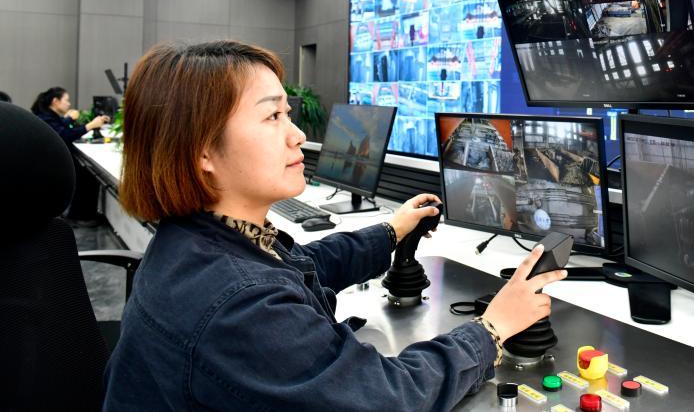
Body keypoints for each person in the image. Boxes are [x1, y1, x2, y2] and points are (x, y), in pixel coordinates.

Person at [103, 41, 565, 411]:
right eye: (272, 116)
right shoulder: (238, 303)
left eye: (288, 114)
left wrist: (390, 232)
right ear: (202, 151)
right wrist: (491, 329)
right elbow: (387, 399)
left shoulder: (202, 238)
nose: (298, 134)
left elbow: (302, 263)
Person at [31, 87, 111, 227]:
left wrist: (69, 119)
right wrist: (90, 126)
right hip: (52, 163)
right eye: (66, 100)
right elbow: (63, 135)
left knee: (86, 172)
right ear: (55, 101)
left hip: (52, 160)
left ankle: (85, 214)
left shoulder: (48, 115)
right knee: (86, 175)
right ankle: (79, 217)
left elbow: (61, 127)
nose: (69, 104)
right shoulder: (46, 117)